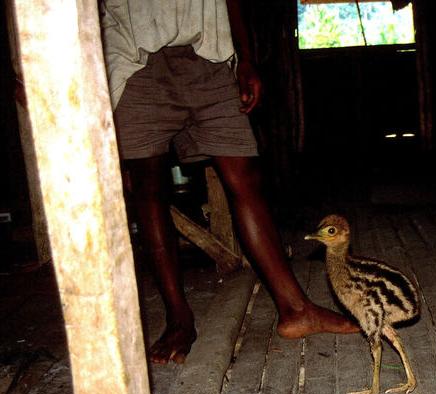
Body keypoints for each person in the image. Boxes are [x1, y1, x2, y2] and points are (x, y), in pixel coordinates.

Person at [100, 0, 359, 364]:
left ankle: (296, 309)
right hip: (134, 61)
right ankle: (178, 319)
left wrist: (245, 58)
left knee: (245, 177)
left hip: (210, 55)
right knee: (148, 190)